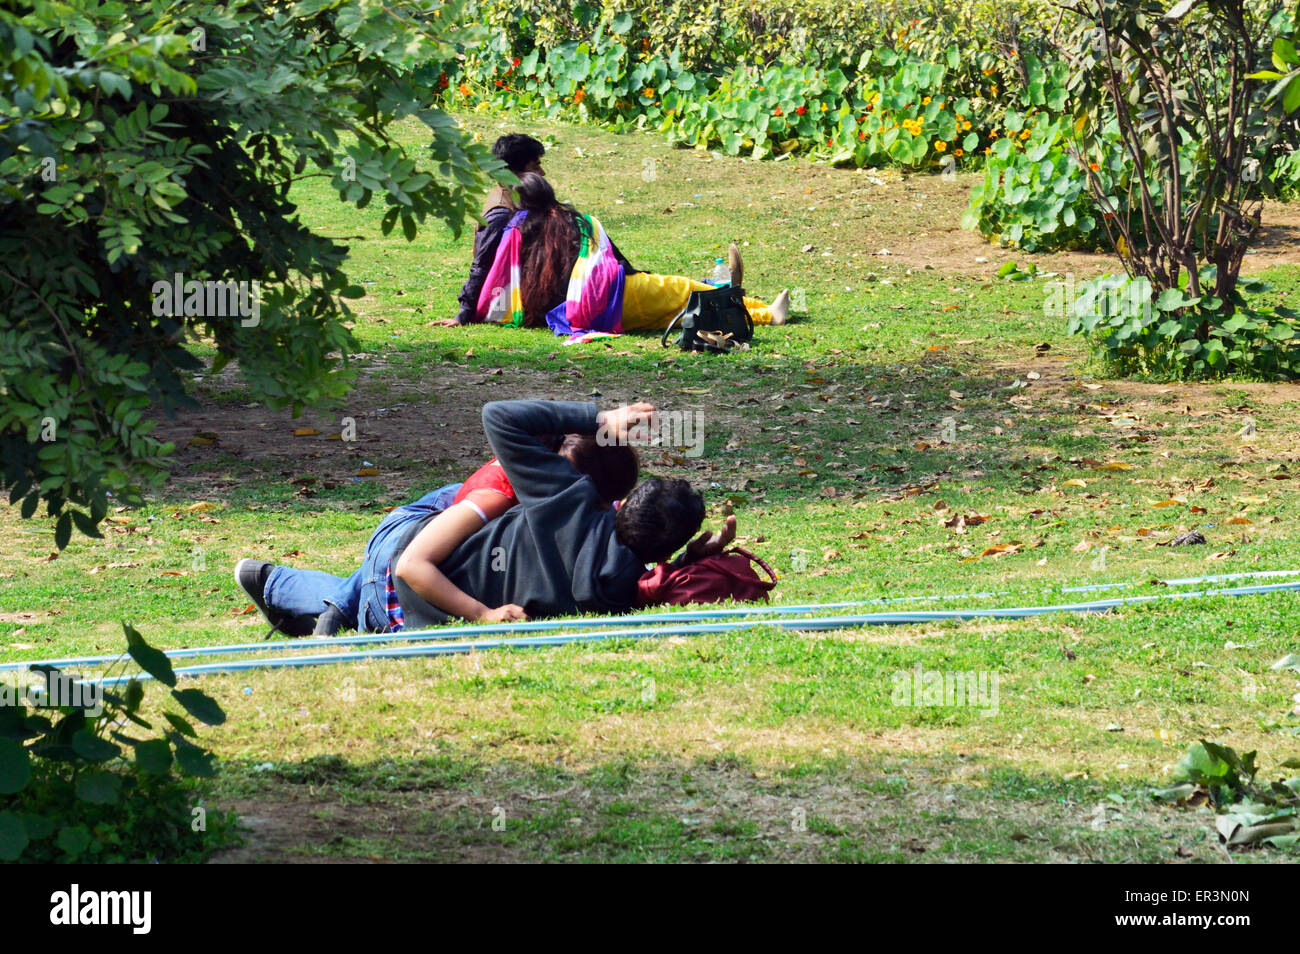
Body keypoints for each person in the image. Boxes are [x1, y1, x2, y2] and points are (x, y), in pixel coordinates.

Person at [238, 400, 737, 633]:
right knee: (475, 501)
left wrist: (600, 418)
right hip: (425, 567)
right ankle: (326, 603)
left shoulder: (565, 498)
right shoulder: (620, 595)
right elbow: (645, 577)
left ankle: (292, 589)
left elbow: (498, 415)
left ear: (619, 505)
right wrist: (679, 561)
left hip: (404, 570)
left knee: (374, 578)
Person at [235, 432, 638, 635]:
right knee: (376, 593)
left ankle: (277, 584)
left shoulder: (587, 505)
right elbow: (411, 563)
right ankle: (334, 605)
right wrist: (483, 614)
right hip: (411, 530)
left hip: (450, 512)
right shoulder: (501, 496)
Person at [470, 173, 789, 338]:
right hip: (611, 297)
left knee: (673, 316)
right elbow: (616, 261)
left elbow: (496, 275)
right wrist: (637, 275)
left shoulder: (516, 230)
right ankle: (764, 312)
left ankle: (748, 302)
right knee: (685, 291)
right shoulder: (576, 220)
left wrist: (468, 311)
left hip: (571, 314)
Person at [437, 133, 639, 328]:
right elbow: (481, 264)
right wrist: (465, 312)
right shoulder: (500, 213)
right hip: (518, 298)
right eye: (536, 166)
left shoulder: (521, 199)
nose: (542, 173)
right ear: (515, 173)